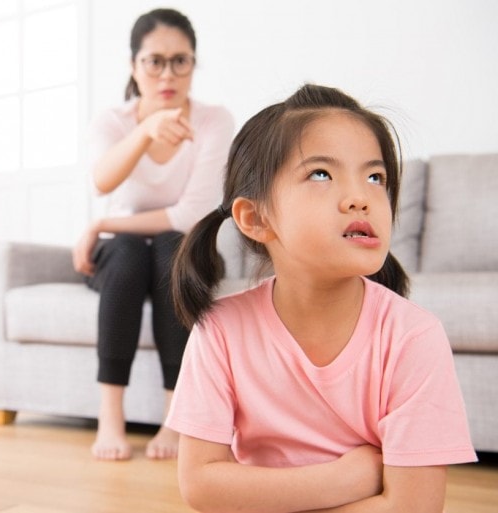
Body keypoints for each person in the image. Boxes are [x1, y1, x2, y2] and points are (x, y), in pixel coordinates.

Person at [166, 84, 477, 511]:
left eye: (375, 177)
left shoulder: (413, 337)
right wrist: (349, 476)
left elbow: (414, 507)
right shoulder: (220, 330)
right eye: (321, 174)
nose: (360, 198)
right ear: (255, 218)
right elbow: (201, 486)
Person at [72, 8, 234, 461]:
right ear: (133, 66)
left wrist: (101, 223)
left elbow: (189, 215)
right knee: (126, 256)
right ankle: (110, 416)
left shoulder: (214, 121)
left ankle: (173, 418)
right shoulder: (112, 121)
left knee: (170, 251)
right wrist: (145, 129)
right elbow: (102, 181)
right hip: (121, 253)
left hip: (180, 246)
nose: (168, 74)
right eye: (154, 61)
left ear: (194, 64)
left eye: (180, 61)